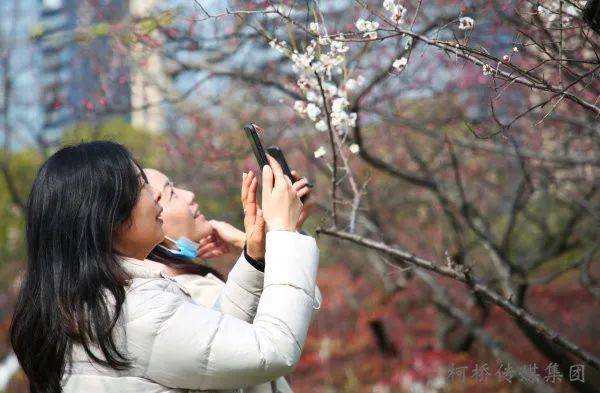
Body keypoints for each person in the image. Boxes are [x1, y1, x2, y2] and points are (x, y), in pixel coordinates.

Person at [10, 141, 321, 392]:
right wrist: (282, 232)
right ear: (107, 217)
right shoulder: (134, 310)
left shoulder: (94, 304)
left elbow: (208, 343)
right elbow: (271, 350)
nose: (155, 200)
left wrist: (255, 257)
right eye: (142, 186)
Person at [142, 167, 321, 392]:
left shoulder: (179, 284)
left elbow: (299, 300)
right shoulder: (186, 294)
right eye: (170, 194)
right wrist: (273, 234)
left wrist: (264, 240)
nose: (188, 194)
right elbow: (295, 315)